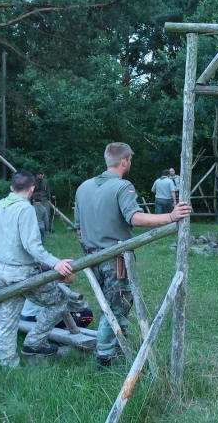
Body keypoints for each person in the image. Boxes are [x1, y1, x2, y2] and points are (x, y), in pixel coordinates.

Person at [75, 142, 192, 369]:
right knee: (116, 306)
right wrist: (170, 217)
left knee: (110, 303)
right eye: (130, 160)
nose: (130, 163)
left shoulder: (83, 187)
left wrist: (88, 251)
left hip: (91, 257)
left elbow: (78, 228)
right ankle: (105, 359)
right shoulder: (122, 186)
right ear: (124, 161)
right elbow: (134, 217)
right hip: (114, 258)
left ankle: (119, 347)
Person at [0, 170, 74, 368]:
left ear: (11, 188)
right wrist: (55, 262)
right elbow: (31, 244)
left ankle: (8, 366)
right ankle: (34, 343)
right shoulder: (26, 209)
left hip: (0, 273)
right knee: (59, 301)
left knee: (6, 320)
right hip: (23, 273)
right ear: (33, 189)